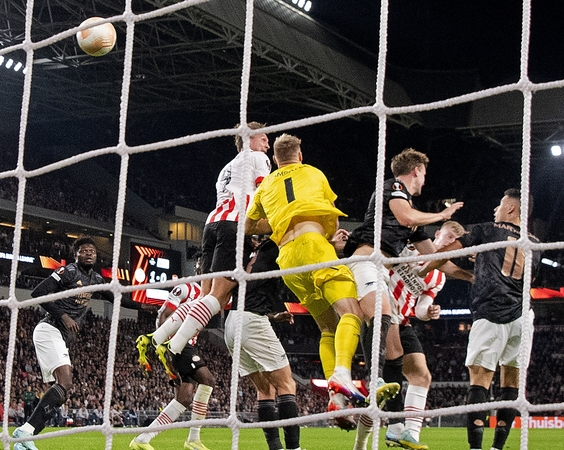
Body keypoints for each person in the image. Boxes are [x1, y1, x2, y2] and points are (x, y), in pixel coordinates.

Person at [243, 133, 391, 428]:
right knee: (353, 313)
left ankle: (335, 399)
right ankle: (341, 374)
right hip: (314, 245)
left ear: (275, 159)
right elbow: (333, 222)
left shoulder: (267, 184)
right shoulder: (314, 173)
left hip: (287, 260)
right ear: (300, 155)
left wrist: (278, 220)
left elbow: (247, 226)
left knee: (327, 326)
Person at [343, 148, 461, 446]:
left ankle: (396, 425)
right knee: (383, 314)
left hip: (381, 268)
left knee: (398, 353)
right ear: (416, 171)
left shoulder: (414, 222)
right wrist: (443, 215)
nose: (424, 180)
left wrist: (474, 273)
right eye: (424, 174)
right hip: (367, 259)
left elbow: (436, 260)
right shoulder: (392, 187)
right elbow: (403, 214)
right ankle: (373, 382)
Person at [145, 122, 271, 378]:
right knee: (219, 298)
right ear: (251, 139)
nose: (268, 144)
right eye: (265, 138)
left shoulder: (227, 167)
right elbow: (265, 195)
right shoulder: (258, 157)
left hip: (211, 224)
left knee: (204, 298)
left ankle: (155, 338)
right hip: (234, 226)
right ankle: (174, 344)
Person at [420, 188, 541, 450]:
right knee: (511, 383)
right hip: (523, 315)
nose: (495, 209)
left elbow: (444, 254)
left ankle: (476, 448)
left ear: (511, 208)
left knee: (480, 381)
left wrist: (423, 269)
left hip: (492, 313)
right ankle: (498, 447)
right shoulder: (534, 243)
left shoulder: (488, 230)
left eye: (499, 203)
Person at [11, 236, 150, 450]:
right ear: (75, 255)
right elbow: (38, 293)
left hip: (61, 337)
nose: (88, 253)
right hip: (49, 329)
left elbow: (120, 298)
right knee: (65, 382)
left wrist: (145, 307)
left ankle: (23, 440)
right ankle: (25, 432)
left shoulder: (95, 279)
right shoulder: (68, 272)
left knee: (62, 392)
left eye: (92, 251)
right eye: (84, 250)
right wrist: (64, 316)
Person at [379, 221, 473, 450]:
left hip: (402, 321)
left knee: (422, 376)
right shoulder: (409, 246)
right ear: (437, 234)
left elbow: (421, 309)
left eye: (454, 241)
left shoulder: (439, 277)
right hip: (380, 313)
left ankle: (409, 435)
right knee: (384, 381)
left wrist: (429, 312)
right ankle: (386, 428)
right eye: (448, 237)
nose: (450, 243)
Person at [224, 235, 301, 450]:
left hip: (231, 323)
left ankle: (274, 447)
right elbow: (294, 236)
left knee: (265, 389)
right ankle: (294, 448)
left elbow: (249, 296)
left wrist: (275, 316)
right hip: (251, 321)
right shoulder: (271, 247)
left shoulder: (245, 259)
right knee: (287, 385)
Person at [131, 282, 216, 450]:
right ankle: (193, 440)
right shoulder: (185, 288)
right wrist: (163, 346)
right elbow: (163, 315)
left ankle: (142, 440)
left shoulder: (211, 294)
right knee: (208, 380)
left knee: (184, 399)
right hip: (177, 344)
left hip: (187, 344)